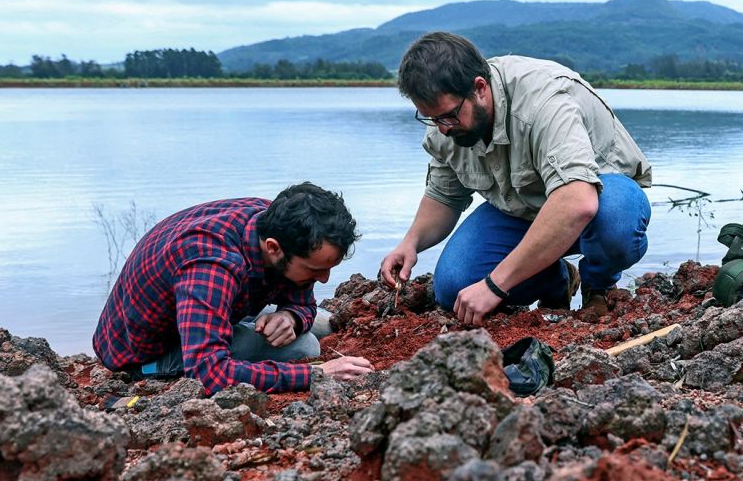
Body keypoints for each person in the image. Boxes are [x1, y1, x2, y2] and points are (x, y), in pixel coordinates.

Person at [380, 32, 653, 326]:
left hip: (598, 202)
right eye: (431, 119)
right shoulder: (446, 120)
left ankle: (598, 285)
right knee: (453, 287)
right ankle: (556, 281)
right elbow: (443, 196)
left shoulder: (544, 101)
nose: (442, 128)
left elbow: (578, 202)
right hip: (522, 212)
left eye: (447, 116)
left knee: (616, 219)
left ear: (480, 88)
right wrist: (410, 243)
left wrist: (494, 285)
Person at [93, 182, 373, 395]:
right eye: (314, 270)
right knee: (304, 345)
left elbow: (302, 303)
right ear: (274, 249)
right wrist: (316, 375)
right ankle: (153, 370)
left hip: (207, 307)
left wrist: (291, 316)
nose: (324, 279)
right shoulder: (211, 264)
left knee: (321, 322)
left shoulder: (278, 223)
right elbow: (208, 373)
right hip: (147, 353)